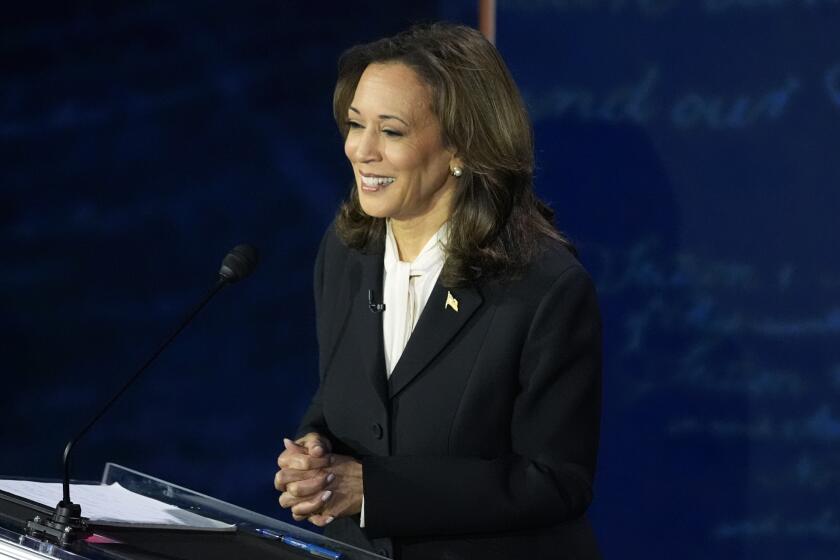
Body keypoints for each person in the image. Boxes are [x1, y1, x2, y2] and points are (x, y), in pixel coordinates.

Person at [274, 23, 602, 560]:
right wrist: (314, 451)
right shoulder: (346, 253)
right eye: (355, 125)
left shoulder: (544, 288)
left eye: (392, 131)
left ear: (463, 148)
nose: (362, 150)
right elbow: (349, 396)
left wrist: (372, 490)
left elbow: (554, 480)